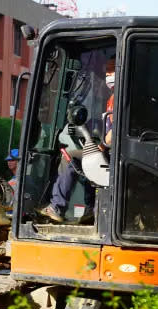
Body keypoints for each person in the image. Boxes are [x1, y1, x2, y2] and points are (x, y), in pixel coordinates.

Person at [39, 58, 115, 224]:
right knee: (86, 161)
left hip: (113, 153)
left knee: (72, 159)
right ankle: (90, 209)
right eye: (106, 71)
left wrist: (100, 146)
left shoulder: (118, 98)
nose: (108, 75)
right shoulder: (112, 98)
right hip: (112, 150)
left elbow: (115, 130)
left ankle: (57, 207)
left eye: (111, 70)